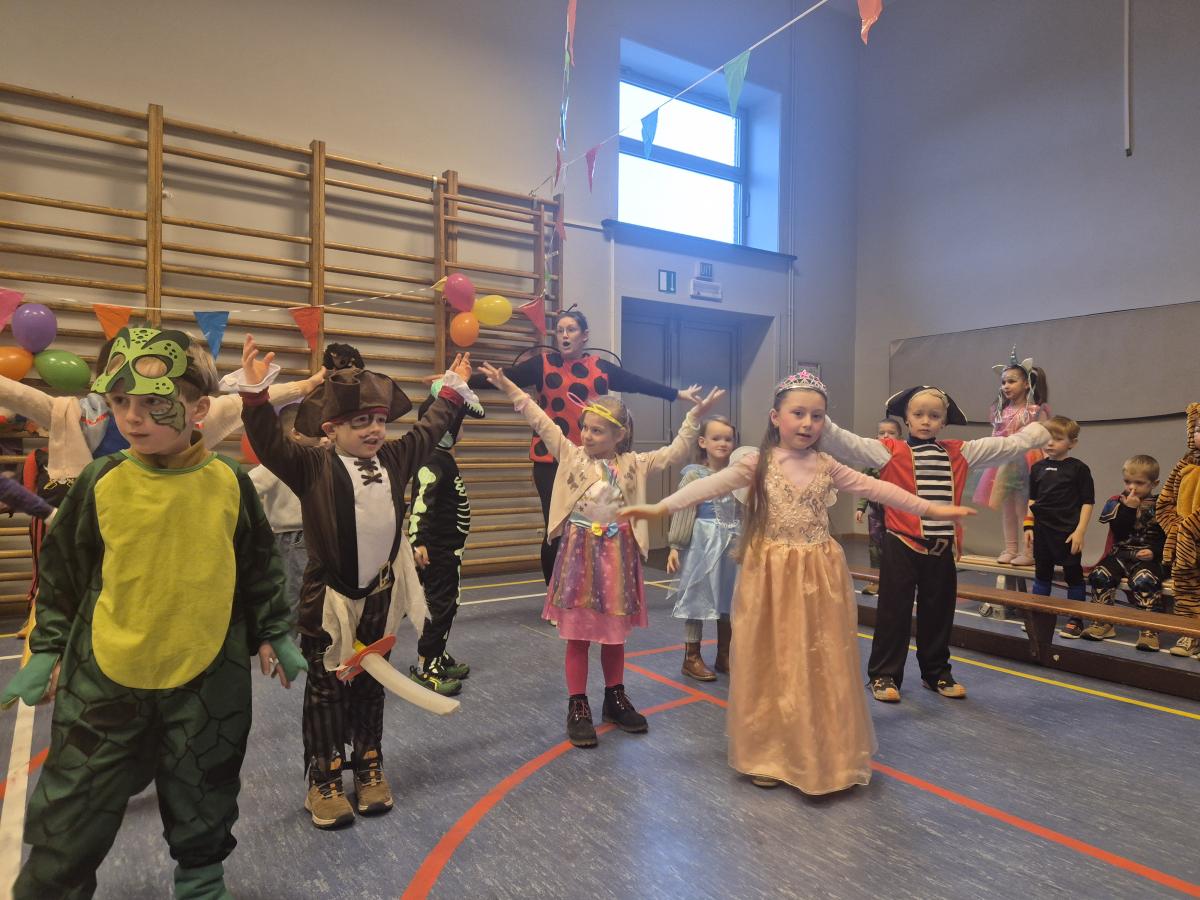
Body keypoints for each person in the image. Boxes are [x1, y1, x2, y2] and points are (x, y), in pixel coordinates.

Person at [0, 326, 303, 899]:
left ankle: (201, 881)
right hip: (105, 676)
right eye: (120, 402)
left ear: (199, 409)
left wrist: (274, 631)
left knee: (205, 784)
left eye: (152, 403)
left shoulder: (230, 483)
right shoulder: (101, 480)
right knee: (74, 801)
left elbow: (258, 564)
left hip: (207, 679)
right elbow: (64, 571)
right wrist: (47, 649)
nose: (131, 418)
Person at [620, 371, 973, 793]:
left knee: (818, 658)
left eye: (817, 416)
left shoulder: (827, 464)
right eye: (798, 413)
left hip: (819, 575)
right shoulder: (756, 463)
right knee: (773, 659)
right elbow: (709, 486)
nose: (807, 423)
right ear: (776, 417)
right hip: (770, 575)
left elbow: (880, 489)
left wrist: (931, 510)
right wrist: (659, 508)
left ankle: (823, 749)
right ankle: (769, 753)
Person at [234, 336, 478, 829]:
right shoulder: (310, 465)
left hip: (380, 601)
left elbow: (431, 426)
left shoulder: (397, 458)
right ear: (331, 428)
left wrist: (452, 390)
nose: (374, 430)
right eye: (360, 421)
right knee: (327, 689)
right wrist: (256, 398)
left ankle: (369, 765)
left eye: (379, 420)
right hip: (330, 600)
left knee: (370, 684)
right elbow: (268, 443)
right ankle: (323, 778)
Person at [479, 359, 723, 748]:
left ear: (618, 434)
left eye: (597, 430)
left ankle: (614, 697)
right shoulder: (571, 455)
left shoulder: (634, 464)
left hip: (618, 559)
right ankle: (578, 704)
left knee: (614, 635)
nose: (587, 436)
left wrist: (694, 416)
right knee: (578, 635)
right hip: (579, 555)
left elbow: (676, 452)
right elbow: (538, 418)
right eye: (585, 428)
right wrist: (508, 386)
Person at [817, 385, 1050, 703]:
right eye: (919, 414)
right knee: (893, 613)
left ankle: (936, 672)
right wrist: (817, 412)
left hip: (941, 548)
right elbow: (846, 442)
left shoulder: (961, 451)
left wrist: (1038, 431)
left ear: (944, 421)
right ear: (907, 418)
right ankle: (884, 675)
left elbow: (1008, 446)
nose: (926, 421)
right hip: (901, 544)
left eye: (934, 415)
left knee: (939, 614)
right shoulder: (888, 450)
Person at [466, 307, 703, 582]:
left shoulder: (599, 367)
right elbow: (507, 378)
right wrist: (461, 379)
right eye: (560, 331)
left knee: (593, 526)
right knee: (557, 527)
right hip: (553, 460)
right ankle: (555, 593)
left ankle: (592, 586)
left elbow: (638, 383)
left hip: (595, 460)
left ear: (584, 335)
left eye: (571, 330)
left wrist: (677, 394)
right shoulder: (543, 364)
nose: (564, 335)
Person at [407, 379, 486, 695]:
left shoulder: (442, 457)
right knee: (440, 606)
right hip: (438, 552)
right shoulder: (432, 461)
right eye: (458, 424)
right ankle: (427, 665)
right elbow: (421, 503)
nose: (461, 430)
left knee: (448, 605)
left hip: (449, 550)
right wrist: (418, 540)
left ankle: (437, 653)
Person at [1062, 455, 1164, 650]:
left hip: (1149, 559)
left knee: (1145, 578)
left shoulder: (1163, 505)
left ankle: (1149, 629)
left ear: (1154, 483)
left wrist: (1154, 552)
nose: (1132, 487)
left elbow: (1168, 537)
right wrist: (1128, 509)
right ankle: (1103, 621)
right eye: (1128, 482)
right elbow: (1119, 531)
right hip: (1121, 555)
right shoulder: (1117, 502)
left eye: (1139, 483)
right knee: (1100, 574)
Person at [666, 415, 741, 681]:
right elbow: (683, 510)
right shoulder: (694, 475)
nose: (723, 443)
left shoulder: (738, 475)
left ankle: (724, 655)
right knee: (696, 597)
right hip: (703, 543)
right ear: (703, 442)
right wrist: (675, 546)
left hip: (731, 544)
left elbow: (743, 510)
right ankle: (692, 657)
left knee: (729, 598)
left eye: (728, 438)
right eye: (716, 438)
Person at [972, 346, 1050, 567]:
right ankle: (1010, 548)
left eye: (1012, 381)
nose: (1006, 385)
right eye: (1003, 382)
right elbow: (995, 436)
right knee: (1007, 508)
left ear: (1026, 384)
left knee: (1024, 509)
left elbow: (1045, 438)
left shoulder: (1035, 411)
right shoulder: (1000, 411)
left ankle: (1029, 551)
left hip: (1028, 463)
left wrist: (1046, 465)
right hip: (1004, 463)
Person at [1023, 416, 1094, 609]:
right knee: (1042, 574)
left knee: (1073, 574)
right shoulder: (1037, 468)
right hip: (1042, 531)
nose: (1050, 443)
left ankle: (1076, 616)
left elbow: (1087, 502)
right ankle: (1039, 613)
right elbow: (1032, 500)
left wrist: (1080, 531)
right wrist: (1028, 526)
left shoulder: (1079, 469)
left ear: (1072, 443)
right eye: (1047, 438)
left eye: (1058, 439)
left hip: (1067, 533)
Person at [1156, 403, 1200, 658]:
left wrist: (1190, 527)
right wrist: (1175, 529)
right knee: (1186, 590)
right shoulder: (1184, 464)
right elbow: (1164, 503)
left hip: (1193, 536)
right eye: (1199, 430)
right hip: (1184, 545)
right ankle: (1190, 633)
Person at [855, 417, 903, 595]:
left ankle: (896, 580)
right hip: (876, 512)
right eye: (882, 433)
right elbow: (865, 484)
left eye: (891, 433)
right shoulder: (872, 459)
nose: (886, 436)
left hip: (896, 512)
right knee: (875, 546)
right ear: (876, 437)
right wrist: (861, 507)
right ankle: (875, 580)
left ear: (900, 437)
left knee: (896, 546)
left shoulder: (903, 457)